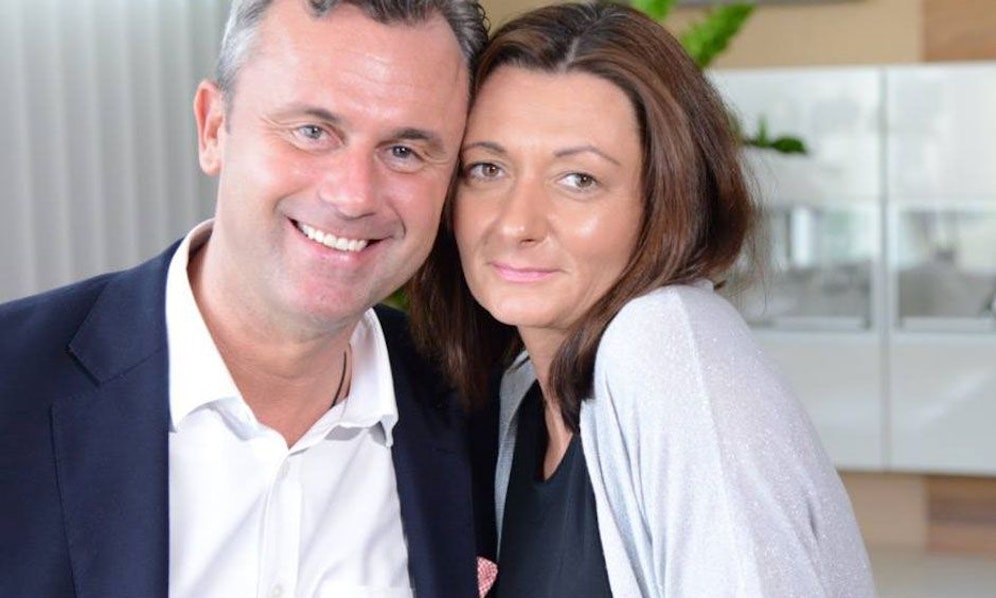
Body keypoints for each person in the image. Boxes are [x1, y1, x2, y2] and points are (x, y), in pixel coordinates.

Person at [0, 0, 487, 596]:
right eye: (313, 131)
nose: (354, 195)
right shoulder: (12, 383)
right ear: (214, 129)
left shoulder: (479, 412)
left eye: (404, 151)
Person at [408, 2, 877, 596]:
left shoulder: (665, 339)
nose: (515, 223)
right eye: (487, 168)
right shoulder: (521, 396)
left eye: (578, 180)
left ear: (666, 201)